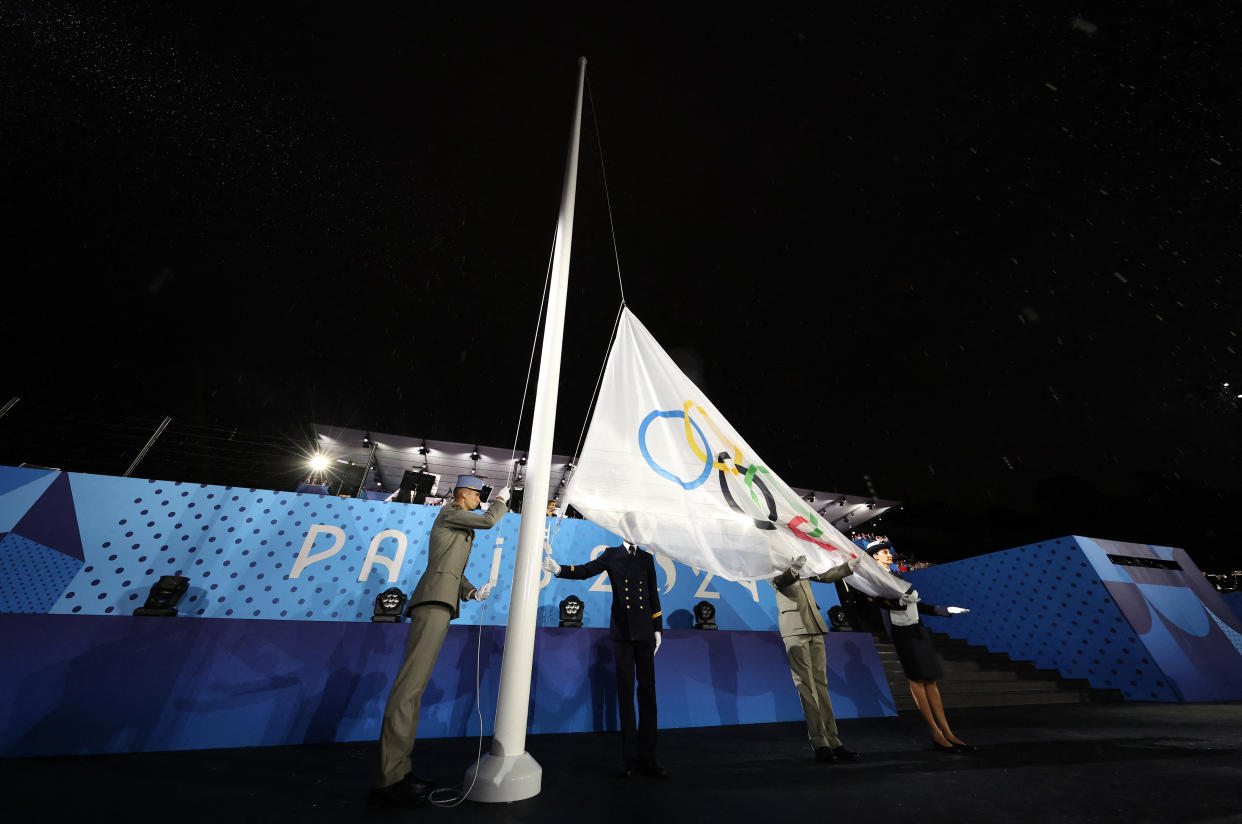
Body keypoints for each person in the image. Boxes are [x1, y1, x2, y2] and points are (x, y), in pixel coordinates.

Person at [369, 475, 510, 807]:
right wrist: (503, 502)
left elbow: (451, 570)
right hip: (432, 602)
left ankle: (400, 771)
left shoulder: (459, 527)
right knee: (409, 689)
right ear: (463, 495)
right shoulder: (449, 512)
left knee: (414, 691)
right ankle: (388, 779)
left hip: (441, 602)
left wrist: (473, 591)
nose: (481, 500)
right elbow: (490, 521)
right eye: (477, 495)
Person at [543, 542, 666, 778]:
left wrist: (658, 628)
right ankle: (630, 758)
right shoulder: (612, 554)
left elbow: (652, 593)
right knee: (626, 693)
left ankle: (649, 757)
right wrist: (560, 570)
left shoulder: (647, 558)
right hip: (622, 632)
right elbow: (587, 570)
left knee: (648, 693)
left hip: (645, 632)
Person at [869, 545, 973, 753]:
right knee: (916, 679)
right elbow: (878, 602)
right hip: (900, 631)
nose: (889, 554)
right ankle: (936, 732)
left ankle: (948, 731)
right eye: (884, 552)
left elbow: (916, 605)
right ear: (875, 557)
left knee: (931, 678)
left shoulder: (897, 574)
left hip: (917, 628)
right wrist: (899, 602)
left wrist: (946, 610)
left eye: (889, 551)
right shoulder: (873, 577)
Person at [771, 553, 864, 763]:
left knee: (821, 685)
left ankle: (834, 740)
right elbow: (780, 582)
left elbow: (824, 575)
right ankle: (819, 742)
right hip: (794, 628)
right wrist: (793, 569)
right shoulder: (771, 561)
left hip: (815, 625)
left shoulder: (801, 559)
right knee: (806, 686)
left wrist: (848, 566)